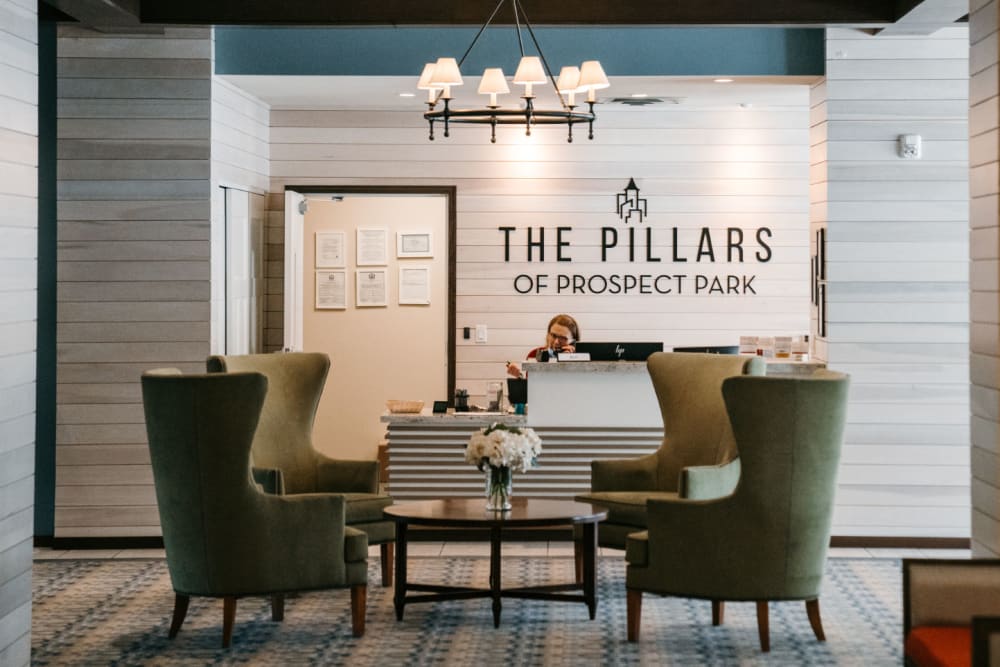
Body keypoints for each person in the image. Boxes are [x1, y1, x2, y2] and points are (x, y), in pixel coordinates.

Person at [506, 313, 580, 378]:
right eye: (553, 335)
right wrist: (519, 376)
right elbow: (532, 388)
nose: (556, 342)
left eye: (563, 338)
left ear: (573, 341)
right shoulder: (534, 355)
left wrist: (569, 361)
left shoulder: (583, 361)